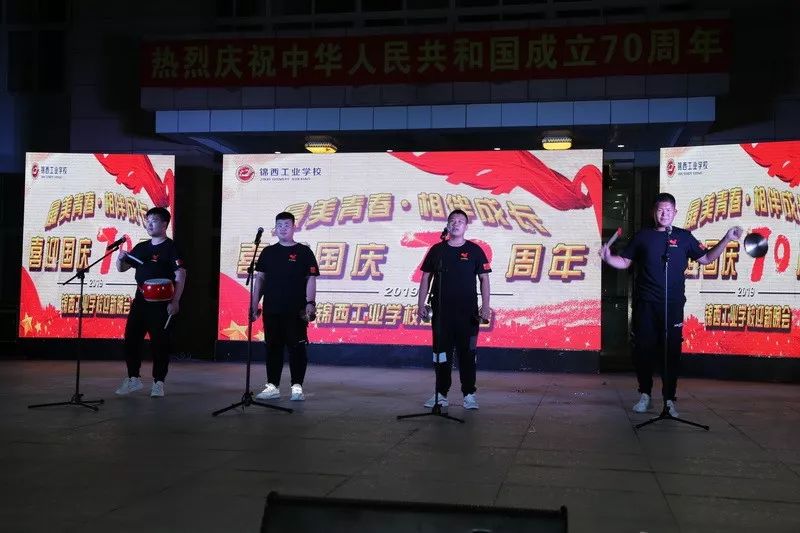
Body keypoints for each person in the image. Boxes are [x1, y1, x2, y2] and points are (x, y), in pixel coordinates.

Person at [599, 193, 742, 417]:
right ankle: (645, 394)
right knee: (643, 350)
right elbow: (625, 262)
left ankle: (669, 399)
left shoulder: (684, 237)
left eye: (668, 210)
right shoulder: (643, 236)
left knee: (671, 352)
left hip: (672, 304)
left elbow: (706, 259)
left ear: (675, 213)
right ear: (653, 212)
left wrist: (726, 239)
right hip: (646, 304)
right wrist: (608, 258)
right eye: (660, 209)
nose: (664, 214)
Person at [417, 209, 492, 410]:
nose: (456, 223)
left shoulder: (475, 250)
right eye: (452, 220)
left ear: (466, 226)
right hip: (442, 315)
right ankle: (441, 394)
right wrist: (420, 304)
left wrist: (485, 306)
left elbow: (484, 279)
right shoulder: (437, 250)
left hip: (468, 315)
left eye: (460, 221)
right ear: (447, 225)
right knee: (441, 355)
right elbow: (426, 277)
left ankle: (469, 394)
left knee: (468, 354)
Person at [114, 207, 186, 398]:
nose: (149, 224)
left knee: (160, 344)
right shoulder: (142, 248)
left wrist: (175, 301)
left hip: (161, 303)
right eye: (148, 220)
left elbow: (181, 275)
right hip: (141, 301)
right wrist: (120, 259)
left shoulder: (171, 248)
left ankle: (158, 382)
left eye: (154, 220)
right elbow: (122, 268)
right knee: (131, 339)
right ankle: (133, 379)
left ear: (164, 224)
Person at [250, 212, 319, 401]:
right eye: (279, 225)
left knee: (297, 347)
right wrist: (254, 303)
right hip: (272, 308)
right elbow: (260, 279)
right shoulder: (268, 252)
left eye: (287, 225)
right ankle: (272, 386)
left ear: (294, 227)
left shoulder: (304, 252)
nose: (283, 229)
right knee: (273, 347)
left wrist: (310, 303)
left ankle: (297, 387)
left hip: (295, 309)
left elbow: (311, 279)